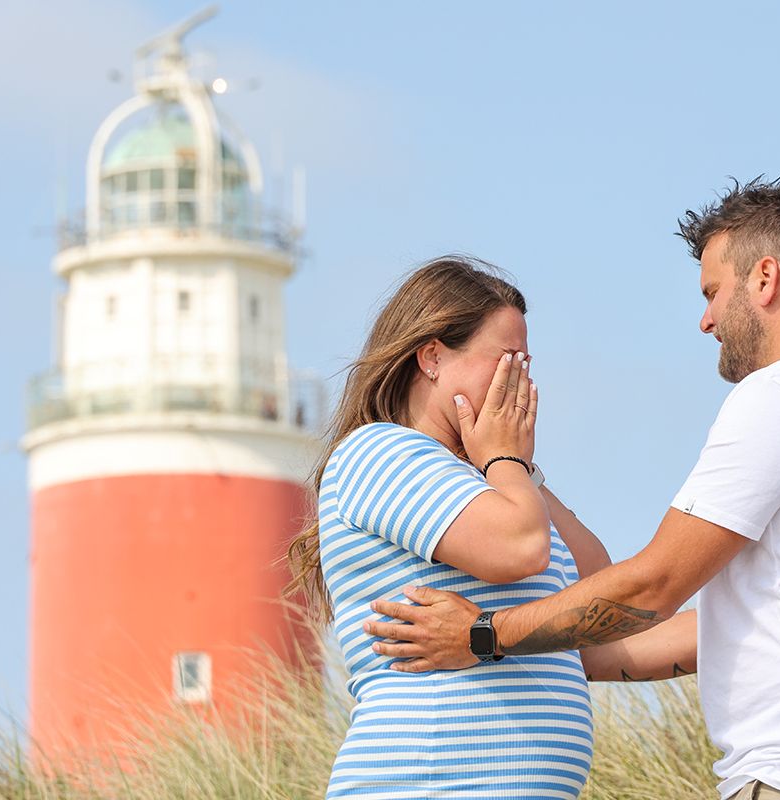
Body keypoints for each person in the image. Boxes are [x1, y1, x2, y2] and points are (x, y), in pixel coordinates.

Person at [365, 181, 780, 800]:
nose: (706, 320)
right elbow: (728, 626)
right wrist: (557, 650)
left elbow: (653, 585)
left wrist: (485, 634)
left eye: (714, 291)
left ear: (765, 279)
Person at [286, 255, 697, 799]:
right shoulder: (379, 450)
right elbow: (522, 549)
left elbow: (598, 592)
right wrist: (507, 459)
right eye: (506, 361)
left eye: (526, 365)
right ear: (432, 357)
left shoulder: (495, 490)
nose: (520, 383)